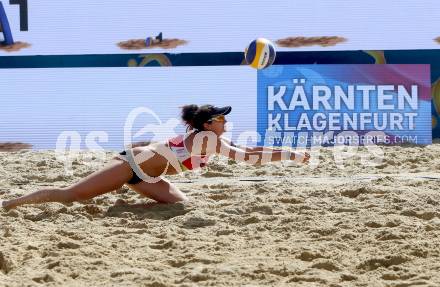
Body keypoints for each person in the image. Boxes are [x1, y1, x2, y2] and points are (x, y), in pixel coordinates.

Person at [1, 105, 309, 210]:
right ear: (207, 124)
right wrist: (292, 155)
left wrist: (289, 154)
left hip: (149, 174)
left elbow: (251, 152)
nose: (225, 122)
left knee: (181, 205)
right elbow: (249, 159)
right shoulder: (207, 139)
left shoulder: (212, 138)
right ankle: (9, 203)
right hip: (132, 165)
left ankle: (123, 201)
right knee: (71, 195)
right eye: (220, 119)